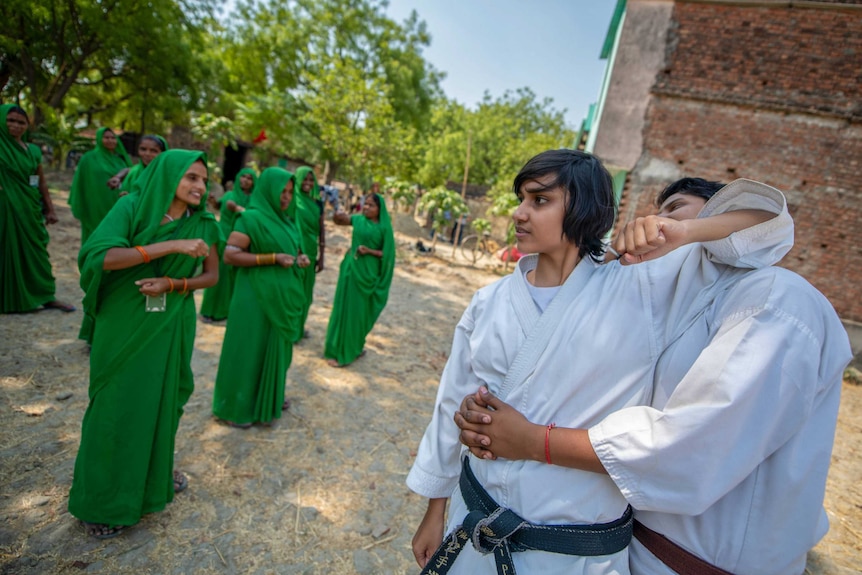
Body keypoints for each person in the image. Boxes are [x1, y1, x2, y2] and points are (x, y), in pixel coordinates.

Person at [407, 150, 793, 575]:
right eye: (521, 198)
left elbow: (768, 226)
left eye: (539, 200)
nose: (518, 213)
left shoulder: (643, 288)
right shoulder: (489, 302)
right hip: (475, 519)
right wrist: (435, 508)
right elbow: (451, 403)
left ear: (586, 207)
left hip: (571, 553)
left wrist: (683, 230)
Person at [68, 149, 220, 539]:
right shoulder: (132, 206)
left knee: (163, 400)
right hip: (124, 318)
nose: (199, 186)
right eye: (191, 177)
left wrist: (173, 283)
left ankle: (152, 479)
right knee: (116, 403)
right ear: (169, 176)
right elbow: (100, 256)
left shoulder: (204, 223)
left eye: (203, 180)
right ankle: (101, 501)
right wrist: (170, 247)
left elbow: (211, 276)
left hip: (171, 321)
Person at [212, 167, 310, 426]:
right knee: (248, 349)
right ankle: (236, 408)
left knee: (276, 348)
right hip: (254, 298)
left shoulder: (288, 221)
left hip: (281, 297)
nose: (286, 197)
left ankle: (269, 397)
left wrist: (299, 258)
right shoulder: (250, 219)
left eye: (290, 192)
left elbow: (290, 250)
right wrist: (272, 258)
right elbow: (230, 254)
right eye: (282, 191)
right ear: (267, 190)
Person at [0, 104, 75, 313]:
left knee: (37, 253)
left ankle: (45, 296)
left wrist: (50, 209)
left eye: (21, 122)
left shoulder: (32, 150)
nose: (15, 126)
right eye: (10, 120)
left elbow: (41, 181)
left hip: (29, 208)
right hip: (5, 207)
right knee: (6, 251)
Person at [324, 191, 395, 368]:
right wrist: (336, 215)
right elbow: (341, 220)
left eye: (371, 205)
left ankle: (353, 348)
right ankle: (338, 351)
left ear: (380, 209)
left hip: (368, 274)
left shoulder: (384, 228)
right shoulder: (358, 220)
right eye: (365, 203)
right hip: (351, 269)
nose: (366, 207)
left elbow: (388, 254)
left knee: (358, 314)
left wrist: (369, 251)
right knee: (344, 309)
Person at [200, 167, 257, 322]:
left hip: (239, 242)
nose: (245, 180)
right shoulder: (230, 194)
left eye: (249, 178)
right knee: (215, 273)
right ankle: (208, 310)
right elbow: (220, 207)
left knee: (230, 277)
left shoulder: (254, 200)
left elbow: (253, 218)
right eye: (243, 176)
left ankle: (224, 311)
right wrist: (213, 202)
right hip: (221, 237)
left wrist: (238, 209)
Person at [68, 127, 131, 245]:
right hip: (94, 205)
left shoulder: (120, 160)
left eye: (113, 138)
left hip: (116, 205)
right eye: (106, 137)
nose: (110, 140)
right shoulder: (88, 158)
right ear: (99, 139)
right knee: (94, 236)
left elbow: (131, 177)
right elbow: (80, 181)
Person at [294, 166, 325, 338]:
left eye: (311, 180)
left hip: (311, 252)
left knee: (306, 293)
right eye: (304, 179)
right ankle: (290, 328)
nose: (308, 183)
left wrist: (322, 256)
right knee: (293, 290)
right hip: (293, 251)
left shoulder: (317, 203)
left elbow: (321, 229)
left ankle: (299, 327)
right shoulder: (291, 200)